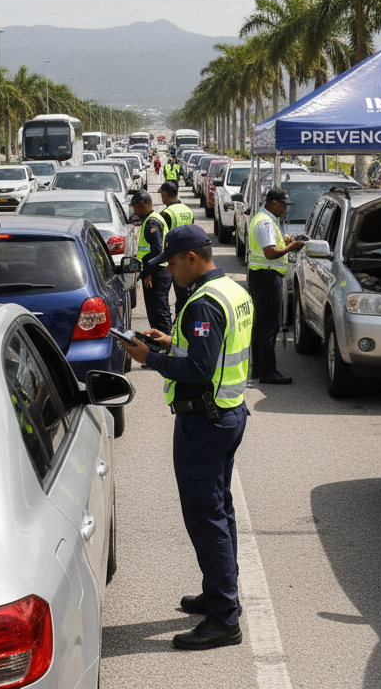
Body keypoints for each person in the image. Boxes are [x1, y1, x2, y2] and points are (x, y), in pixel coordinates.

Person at [124, 224, 253, 650]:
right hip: (229, 413)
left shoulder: (202, 303)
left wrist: (151, 359)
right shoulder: (233, 291)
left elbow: (198, 370)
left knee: (206, 517)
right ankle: (221, 594)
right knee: (221, 510)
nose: (171, 271)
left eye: (173, 263)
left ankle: (223, 619)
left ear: (192, 258)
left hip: (204, 423)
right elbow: (208, 355)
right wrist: (168, 341)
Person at [247, 188, 304, 384]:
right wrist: (291, 247)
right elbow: (270, 253)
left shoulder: (265, 219)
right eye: (282, 205)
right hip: (267, 276)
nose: (284, 209)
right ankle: (268, 371)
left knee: (261, 325)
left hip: (261, 275)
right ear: (271, 202)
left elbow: (271, 246)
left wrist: (285, 241)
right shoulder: (265, 222)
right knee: (269, 327)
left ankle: (258, 368)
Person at [130, 189, 171, 335]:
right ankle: (162, 342)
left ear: (142, 204)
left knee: (159, 313)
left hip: (156, 274)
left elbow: (157, 252)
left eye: (135, 207)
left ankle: (164, 345)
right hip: (159, 272)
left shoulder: (152, 222)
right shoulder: (153, 218)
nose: (134, 211)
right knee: (158, 312)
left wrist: (148, 275)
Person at [159, 179, 196, 317]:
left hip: (173, 259)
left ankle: (178, 327)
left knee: (171, 297)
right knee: (185, 296)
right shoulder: (188, 210)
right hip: (189, 258)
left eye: (162, 194)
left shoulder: (167, 213)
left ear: (166, 194)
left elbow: (163, 239)